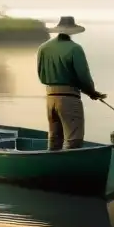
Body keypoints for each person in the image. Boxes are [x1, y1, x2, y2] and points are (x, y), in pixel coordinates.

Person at [37, 16, 106, 150]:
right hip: (69, 99)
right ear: (73, 31)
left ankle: (52, 167)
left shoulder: (43, 48)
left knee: (54, 139)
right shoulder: (75, 49)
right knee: (74, 140)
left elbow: (41, 75)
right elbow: (83, 76)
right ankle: (70, 168)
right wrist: (92, 92)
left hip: (50, 98)